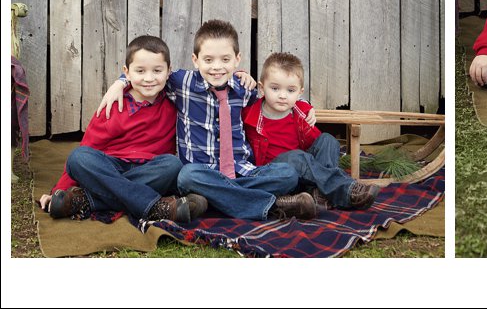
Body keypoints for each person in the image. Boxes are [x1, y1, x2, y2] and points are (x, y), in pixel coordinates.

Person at [98, 20, 314, 221]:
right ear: (195, 59)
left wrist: (303, 106)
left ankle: (220, 198)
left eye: (225, 60)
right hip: (202, 172)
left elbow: (278, 95)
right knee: (186, 176)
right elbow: (151, 73)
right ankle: (270, 205)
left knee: (288, 175)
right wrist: (120, 82)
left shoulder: (244, 89)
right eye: (208, 60)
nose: (217, 67)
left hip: (242, 170)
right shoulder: (182, 83)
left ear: (237, 59)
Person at [40, 35, 207, 222]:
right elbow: (89, 145)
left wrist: (240, 76)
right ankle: (155, 207)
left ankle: (85, 199)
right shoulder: (113, 105)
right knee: (78, 158)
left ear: (169, 72)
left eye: (157, 70)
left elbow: (209, 80)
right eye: (140, 71)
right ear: (127, 73)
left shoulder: (174, 102)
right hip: (110, 167)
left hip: (148, 171)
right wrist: (58, 190)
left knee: (172, 165)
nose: (149, 78)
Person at [243, 52, 379, 210]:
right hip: (275, 174)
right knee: (297, 157)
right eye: (274, 88)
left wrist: (305, 106)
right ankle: (345, 191)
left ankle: (318, 194)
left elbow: (314, 144)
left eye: (290, 91)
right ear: (261, 88)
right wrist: (242, 75)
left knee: (327, 140)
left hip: (303, 173)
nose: (282, 96)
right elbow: (231, 93)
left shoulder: (299, 113)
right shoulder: (249, 114)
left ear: (300, 92)